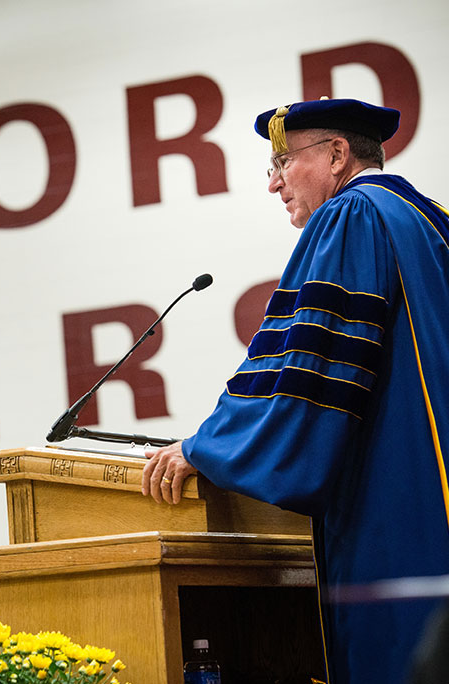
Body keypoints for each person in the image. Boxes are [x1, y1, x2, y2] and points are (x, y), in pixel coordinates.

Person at [140, 98, 449, 684]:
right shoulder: (429, 218)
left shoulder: (353, 214)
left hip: (397, 496)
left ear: (337, 154)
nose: (274, 182)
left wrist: (207, 447)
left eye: (283, 161)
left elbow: (312, 368)